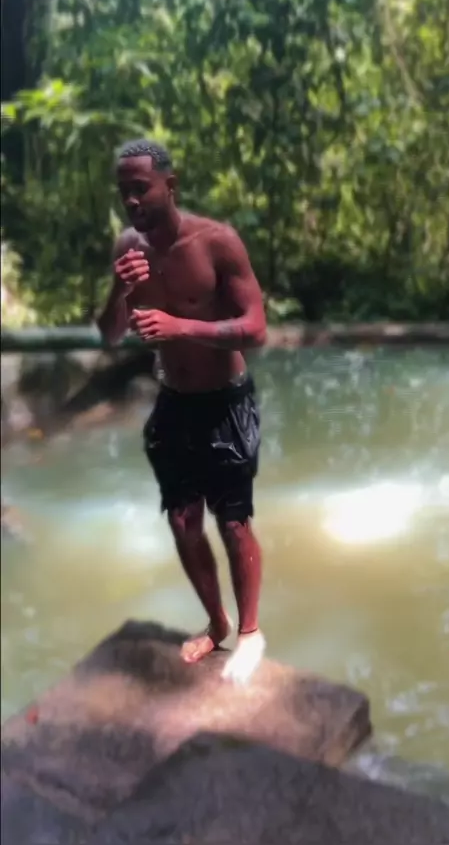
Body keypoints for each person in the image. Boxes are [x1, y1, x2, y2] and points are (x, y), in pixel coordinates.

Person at [97, 139, 267, 683]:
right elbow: (109, 334)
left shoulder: (217, 242)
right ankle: (217, 622)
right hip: (173, 400)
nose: (131, 201)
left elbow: (256, 329)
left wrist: (181, 327)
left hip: (226, 399)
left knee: (233, 522)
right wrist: (121, 292)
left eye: (140, 189)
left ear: (169, 186)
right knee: (182, 520)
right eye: (123, 191)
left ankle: (250, 633)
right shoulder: (129, 247)